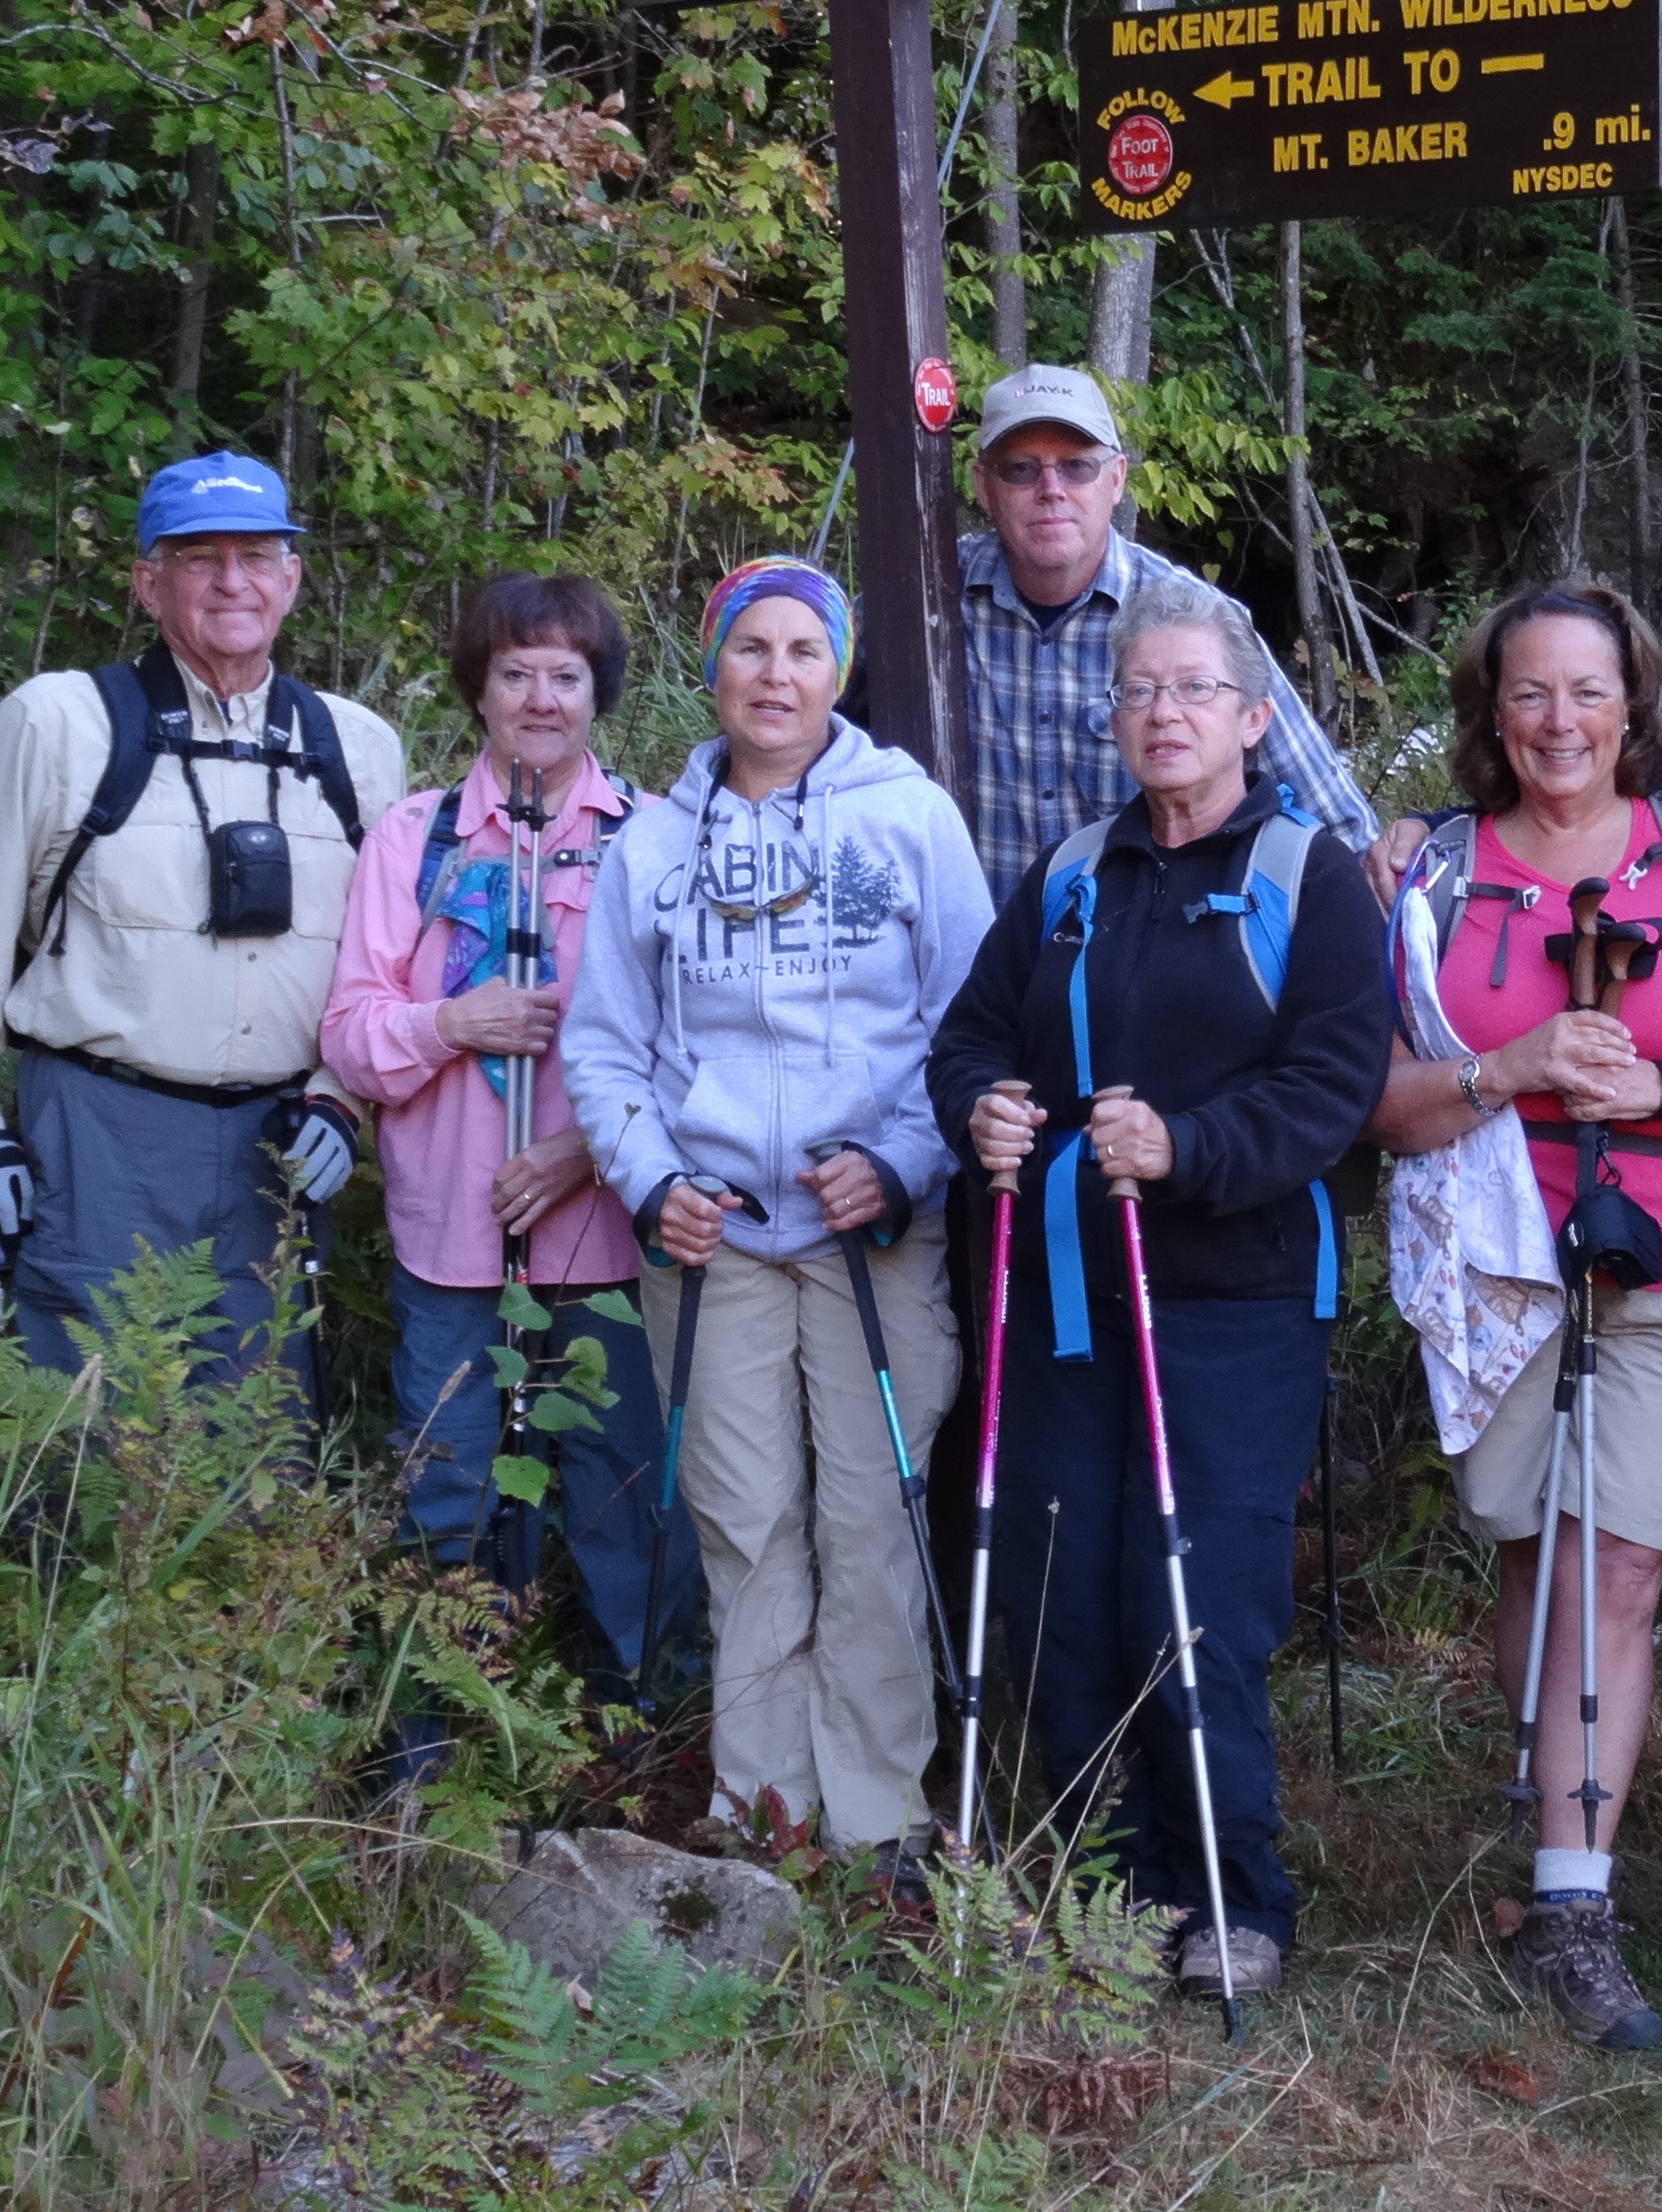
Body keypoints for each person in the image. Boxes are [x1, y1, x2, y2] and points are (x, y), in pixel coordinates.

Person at [928, 576, 1391, 2000]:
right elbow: (969, 1038)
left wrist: (1185, 1148)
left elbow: (1333, 1085)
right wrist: (981, 1117)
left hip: (1234, 1300)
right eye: (1139, 691)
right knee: (1066, 1597)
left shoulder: (1303, 876)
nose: (1163, 713)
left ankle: (1228, 1893)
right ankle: (1098, 1886)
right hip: (1063, 1293)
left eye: (1193, 689)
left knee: (1196, 1598)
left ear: (1254, 717)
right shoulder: (1072, 871)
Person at [1365, 586, 1662, 2048]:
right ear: (1490, 711)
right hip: (1490, 1256)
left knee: (1612, 1574)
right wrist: (1513, 1064)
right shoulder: (1429, 867)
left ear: (1633, 706)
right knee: (1529, 1554)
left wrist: (1658, 1092)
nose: (1560, 720)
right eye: (1530, 692)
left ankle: (1570, 1901)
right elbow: (1379, 1098)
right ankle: (1558, 1798)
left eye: (1587, 692)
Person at [559, 557, 990, 1859]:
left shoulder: (910, 819)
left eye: (805, 650)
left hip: (873, 1235)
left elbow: (968, 1027)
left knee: (874, 1521)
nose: (777, 676)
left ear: (839, 670)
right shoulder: (652, 840)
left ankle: (876, 1819)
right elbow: (603, 1047)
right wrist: (652, 1182)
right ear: (713, 669)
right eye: (751, 649)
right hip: (717, 1238)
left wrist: (905, 1162)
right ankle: (764, 1810)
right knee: (746, 1525)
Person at [0, 451, 404, 1390]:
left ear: (293, 576)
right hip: (98, 1136)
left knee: (260, 1444)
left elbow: (381, 971)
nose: (231, 581)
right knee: (82, 1436)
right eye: (197, 556)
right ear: (146, 582)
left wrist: (341, 1095)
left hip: (280, 1147)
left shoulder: (357, 748)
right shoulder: (58, 724)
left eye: (257, 553)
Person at [320, 568, 698, 1709]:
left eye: (567, 675)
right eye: (516, 671)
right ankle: (436, 1727)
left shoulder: (653, 839)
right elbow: (348, 1037)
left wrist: (585, 1150)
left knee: (626, 1492)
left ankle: (637, 1730)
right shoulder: (413, 840)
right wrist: (452, 1021)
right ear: (480, 691)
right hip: (451, 1242)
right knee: (448, 1489)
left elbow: (697, 1048)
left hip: (608, 1241)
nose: (541, 697)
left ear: (601, 694)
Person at [949, 364, 1381, 905]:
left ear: (1117, 479)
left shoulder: (1195, 624)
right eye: (1021, 469)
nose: (1051, 489)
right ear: (983, 485)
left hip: (1142, 966)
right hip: (976, 972)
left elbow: (1341, 830)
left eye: (1077, 466)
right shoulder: (927, 603)